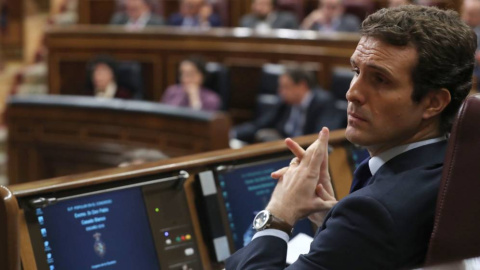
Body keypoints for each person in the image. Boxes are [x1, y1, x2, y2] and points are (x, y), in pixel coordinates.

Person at [226, 5, 476, 269]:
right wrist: (335, 222)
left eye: (380, 79)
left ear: (433, 102)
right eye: (356, 71)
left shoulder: (375, 212)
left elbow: (381, 225)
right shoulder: (453, 168)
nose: (352, 93)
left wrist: (277, 214)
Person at [233, 66, 346, 143]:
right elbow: (260, 124)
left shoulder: (324, 102)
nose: (280, 91)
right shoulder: (285, 102)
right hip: (283, 148)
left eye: (285, 87)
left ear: (302, 86)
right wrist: (233, 133)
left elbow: (322, 138)